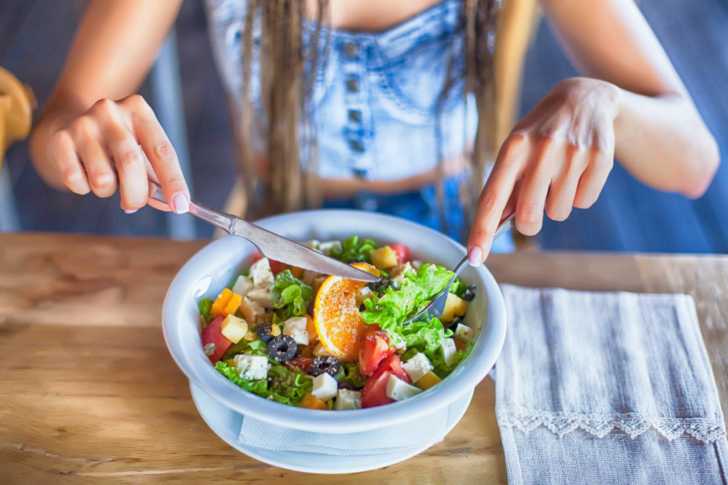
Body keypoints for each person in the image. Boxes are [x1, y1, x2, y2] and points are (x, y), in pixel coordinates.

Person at [30, 0, 719, 266]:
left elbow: (693, 160)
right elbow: (57, 124)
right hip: (276, 239)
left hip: (466, 251)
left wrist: (607, 104)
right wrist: (75, 139)